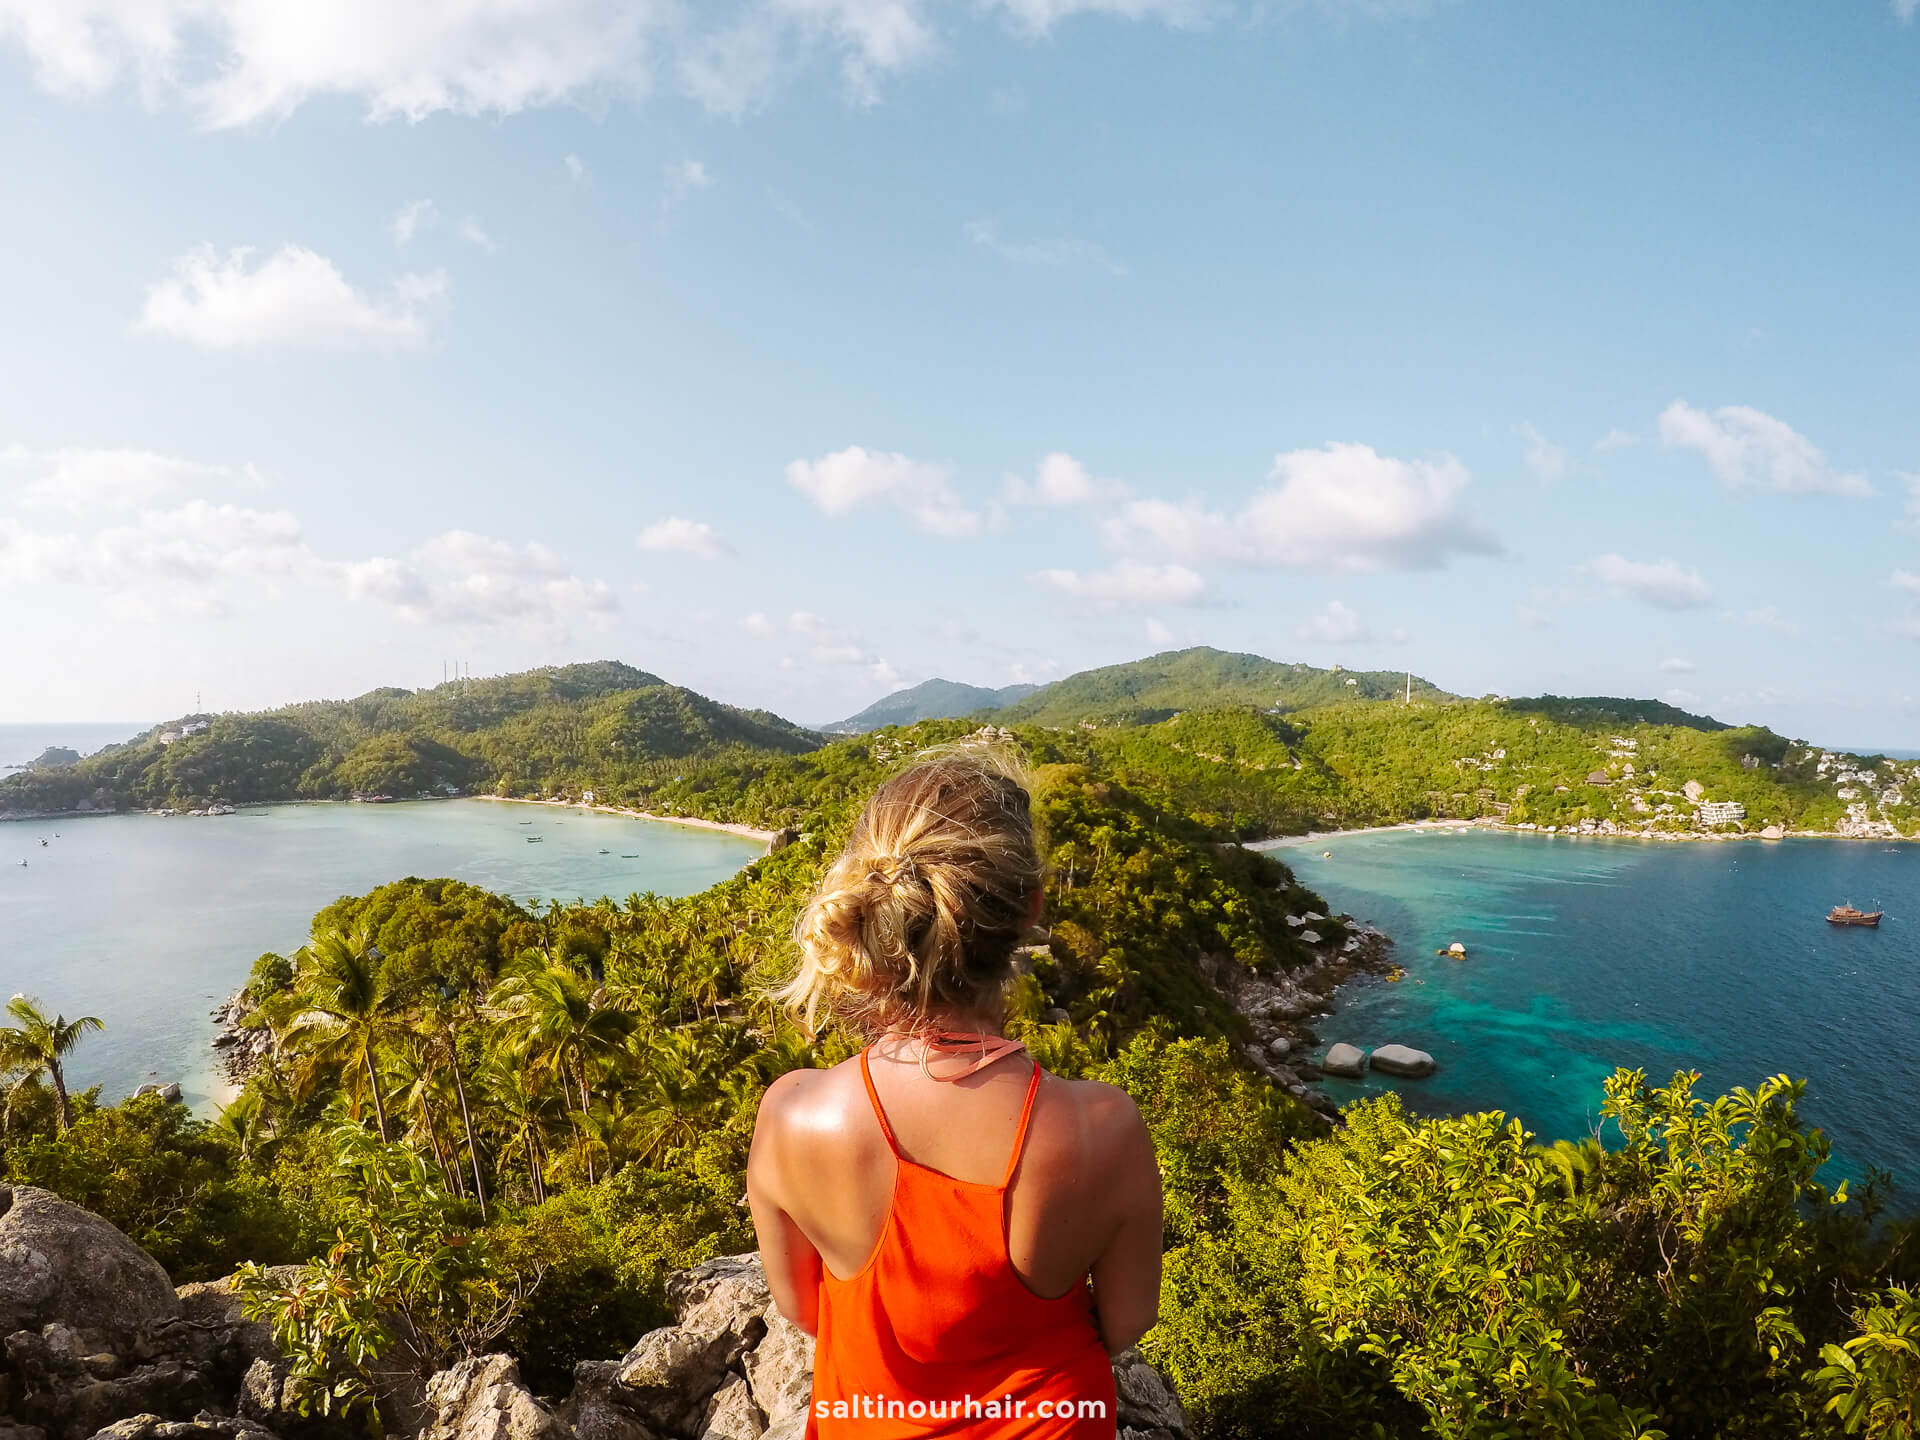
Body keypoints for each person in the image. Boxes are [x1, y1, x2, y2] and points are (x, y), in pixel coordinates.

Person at [747, 747, 1164, 1439]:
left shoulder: (793, 1114)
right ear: (1029, 908)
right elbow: (1127, 1321)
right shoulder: (1104, 1127)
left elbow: (803, 1308)